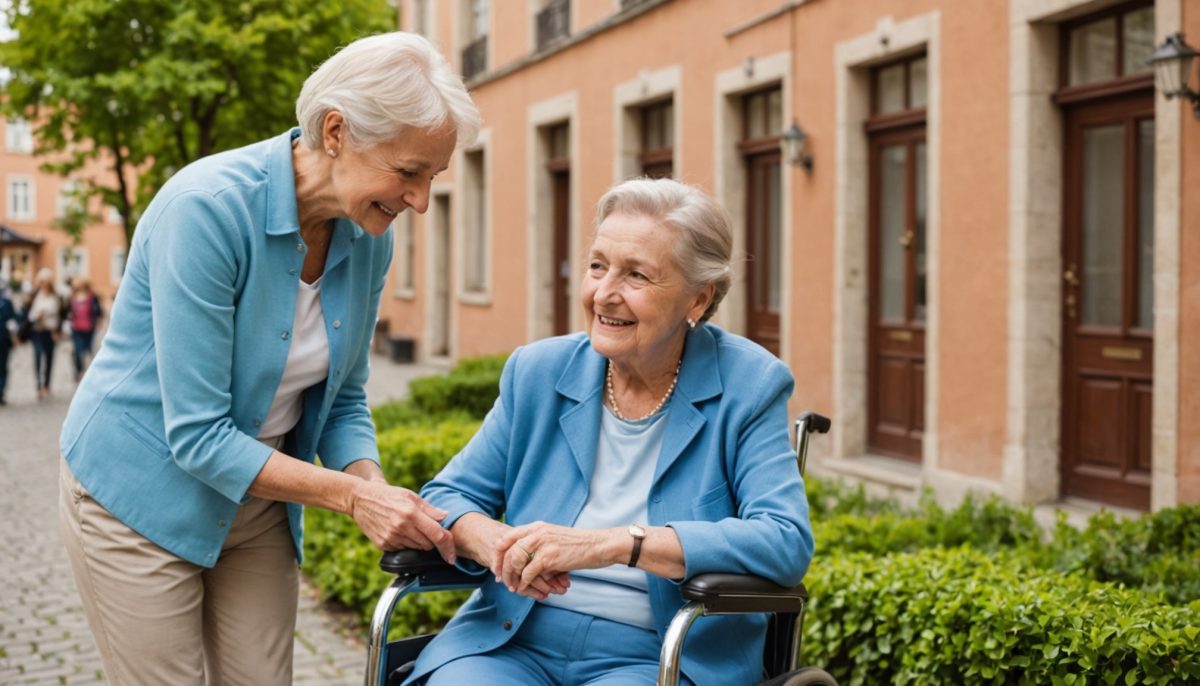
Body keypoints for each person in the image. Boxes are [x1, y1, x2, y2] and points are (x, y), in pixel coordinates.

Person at [58, 31, 480, 685]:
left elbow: (342, 396)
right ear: (336, 131)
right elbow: (197, 436)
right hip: (136, 494)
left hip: (255, 504)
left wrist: (375, 489)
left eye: (433, 176)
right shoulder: (207, 211)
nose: (420, 200)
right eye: (408, 172)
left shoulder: (367, 237)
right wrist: (351, 499)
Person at [406, 178, 815, 686]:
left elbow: (784, 540)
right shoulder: (538, 371)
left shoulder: (750, 384)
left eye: (636, 275)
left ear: (698, 298)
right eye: (598, 266)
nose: (604, 293)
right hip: (512, 640)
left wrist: (618, 545)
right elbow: (448, 494)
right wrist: (490, 540)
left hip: (658, 654)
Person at [26, 267, 62, 400]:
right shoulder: (34, 295)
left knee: (49, 358)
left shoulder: (56, 296)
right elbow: (28, 315)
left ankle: (46, 384)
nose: (43, 284)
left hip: (50, 331)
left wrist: (58, 330)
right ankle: (38, 385)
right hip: (37, 331)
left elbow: (60, 315)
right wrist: (36, 316)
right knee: (37, 356)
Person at [66, 276, 103, 381]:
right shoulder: (72, 297)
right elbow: (67, 312)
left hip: (89, 328)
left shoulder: (92, 296)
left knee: (89, 351)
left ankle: (90, 372)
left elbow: (98, 311)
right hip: (76, 328)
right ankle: (79, 371)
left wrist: (99, 322)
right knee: (77, 351)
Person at [0, 284, 16, 405]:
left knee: (3, 365)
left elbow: (12, 320)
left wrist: (15, 336)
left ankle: (1, 391)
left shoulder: (6, 302)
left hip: (3, 339)